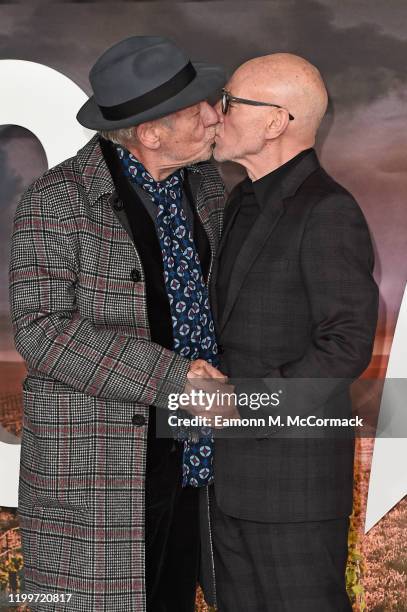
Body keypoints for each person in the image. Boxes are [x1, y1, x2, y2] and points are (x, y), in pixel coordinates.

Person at [9, 36, 228, 612]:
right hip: (97, 471)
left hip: (192, 459)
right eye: (198, 108)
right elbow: (41, 330)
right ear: (150, 133)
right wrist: (174, 380)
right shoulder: (57, 200)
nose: (215, 116)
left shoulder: (207, 188)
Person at [205, 53, 379, 611]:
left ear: (276, 122)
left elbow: (345, 345)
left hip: (294, 492)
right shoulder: (239, 202)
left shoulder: (328, 210)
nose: (215, 114)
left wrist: (243, 404)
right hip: (227, 483)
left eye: (230, 103)